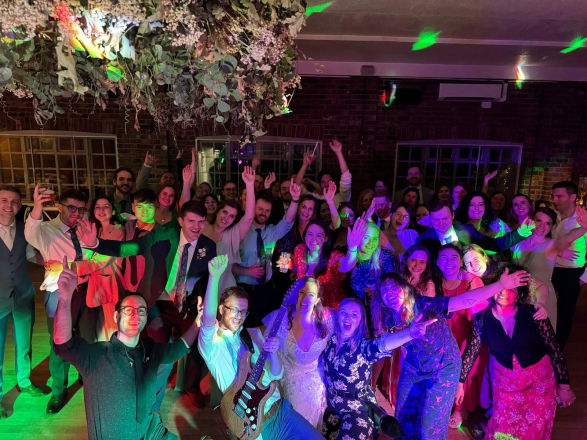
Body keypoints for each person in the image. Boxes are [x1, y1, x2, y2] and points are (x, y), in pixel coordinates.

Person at [371, 269, 529, 440]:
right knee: (403, 420)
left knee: (429, 428)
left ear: (405, 288)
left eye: (394, 287)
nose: (389, 293)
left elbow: (464, 300)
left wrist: (500, 285)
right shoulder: (387, 316)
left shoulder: (425, 305)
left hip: (442, 367)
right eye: (384, 290)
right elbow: (384, 345)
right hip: (414, 366)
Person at [53, 257, 200, 440]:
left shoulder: (151, 350)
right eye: (128, 310)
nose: (135, 315)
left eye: (141, 311)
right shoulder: (96, 355)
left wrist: (198, 322)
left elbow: (179, 348)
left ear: (146, 318)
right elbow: (63, 344)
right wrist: (65, 298)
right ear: (116, 316)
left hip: (152, 433)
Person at [198, 255, 323, 439]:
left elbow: (276, 374)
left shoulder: (251, 337)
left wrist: (273, 353)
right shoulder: (212, 346)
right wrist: (214, 277)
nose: (239, 316)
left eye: (243, 311)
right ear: (222, 309)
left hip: (280, 413)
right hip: (253, 425)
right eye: (234, 309)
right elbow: (208, 320)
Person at [457, 264, 576, 440]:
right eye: (501, 286)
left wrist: (564, 386)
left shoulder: (534, 314)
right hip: (505, 384)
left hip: (539, 383)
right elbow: (471, 351)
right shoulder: (482, 319)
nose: (504, 292)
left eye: (511, 289)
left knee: (534, 428)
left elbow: (555, 350)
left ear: (519, 293)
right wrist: (460, 383)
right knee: (502, 428)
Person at [320, 297, 435, 440]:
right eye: (343, 312)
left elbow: (383, 344)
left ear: (361, 321)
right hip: (332, 407)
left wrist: (409, 333)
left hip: (357, 409)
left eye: (354, 314)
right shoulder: (329, 341)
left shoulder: (363, 347)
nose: (348, 317)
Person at [24, 185, 90, 414]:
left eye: (81, 209)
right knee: (59, 343)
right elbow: (30, 232)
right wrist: (37, 206)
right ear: (60, 207)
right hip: (58, 293)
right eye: (71, 208)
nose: (76, 213)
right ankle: (58, 391)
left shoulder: (85, 227)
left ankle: (84, 374)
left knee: (85, 338)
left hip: (86, 290)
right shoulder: (46, 230)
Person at [263, 277, 332, 429]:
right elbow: (266, 351)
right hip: (291, 378)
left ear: (317, 299)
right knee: (300, 418)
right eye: (301, 292)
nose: (305, 298)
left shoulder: (327, 319)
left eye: (311, 294)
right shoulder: (280, 319)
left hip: (316, 377)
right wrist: (273, 346)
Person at [0, 186, 45, 418]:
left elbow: (30, 255)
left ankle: (24, 381)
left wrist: (51, 259)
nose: (9, 206)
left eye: (15, 202)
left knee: (24, 342)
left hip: (23, 294)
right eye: (4, 200)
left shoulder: (23, 229)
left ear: (20, 205)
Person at [235, 185, 301, 326]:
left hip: (266, 290)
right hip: (243, 290)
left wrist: (295, 199)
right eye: (260, 209)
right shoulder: (240, 231)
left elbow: (288, 221)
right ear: (253, 207)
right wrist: (247, 271)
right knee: (244, 329)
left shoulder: (272, 232)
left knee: (265, 330)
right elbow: (229, 264)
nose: (263, 213)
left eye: (267, 211)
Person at [185, 164, 256, 292]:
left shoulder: (232, 234)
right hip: (197, 286)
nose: (226, 218)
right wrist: (186, 183)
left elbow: (249, 217)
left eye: (232, 216)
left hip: (224, 287)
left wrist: (250, 185)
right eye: (225, 212)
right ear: (218, 211)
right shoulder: (202, 225)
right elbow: (185, 211)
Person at [436, 244, 485, 427]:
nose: (449, 262)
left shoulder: (470, 282)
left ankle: (459, 408)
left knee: (465, 357)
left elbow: (477, 321)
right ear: (437, 262)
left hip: (464, 335)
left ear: (461, 262)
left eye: (454, 257)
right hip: (440, 335)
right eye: (444, 258)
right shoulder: (434, 282)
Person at [81, 196, 126, 341]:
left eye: (106, 206)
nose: (101, 210)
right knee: (99, 326)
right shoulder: (96, 229)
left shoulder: (117, 231)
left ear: (113, 211)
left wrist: (70, 267)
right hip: (96, 284)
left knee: (111, 325)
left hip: (110, 284)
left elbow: (100, 261)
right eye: (97, 207)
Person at [417, 200, 532, 257]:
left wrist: (520, 233)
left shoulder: (467, 230)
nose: (441, 223)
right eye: (436, 219)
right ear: (431, 219)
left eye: (445, 218)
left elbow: (495, 245)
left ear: (452, 215)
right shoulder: (423, 240)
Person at [292, 218, 364, 308]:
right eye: (310, 234)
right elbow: (297, 267)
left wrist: (352, 249)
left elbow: (346, 265)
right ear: (305, 236)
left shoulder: (333, 257)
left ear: (325, 238)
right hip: (304, 307)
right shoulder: (299, 250)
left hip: (329, 311)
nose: (314, 239)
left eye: (319, 235)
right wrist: (289, 265)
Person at [550, 181, 587, 349]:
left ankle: (557, 350)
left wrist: (584, 278)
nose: (554, 199)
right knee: (546, 308)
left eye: (559, 196)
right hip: (550, 268)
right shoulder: (552, 216)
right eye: (553, 196)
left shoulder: (583, 218)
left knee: (565, 313)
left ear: (573, 197)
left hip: (572, 272)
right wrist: (557, 252)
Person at [511, 207, 560, 330]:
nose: (542, 226)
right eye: (539, 221)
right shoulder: (519, 241)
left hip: (541, 294)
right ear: (532, 220)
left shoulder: (552, 244)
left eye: (548, 223)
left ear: (552, 226)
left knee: (541, 335)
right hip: (519, 293)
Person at [296, 140, 352, 209]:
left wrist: (339, 153)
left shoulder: (342, 197)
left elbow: (346, 176)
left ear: (335, 183)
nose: (326, 185)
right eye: (323, 182)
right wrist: (305, 165)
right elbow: (297, 187)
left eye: (329, 181)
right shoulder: (315, 198)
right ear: (319, 184)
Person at [348, 221, 396, 300]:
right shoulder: (349, 256)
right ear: (358, 238)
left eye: (375, 238)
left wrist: (377, 290)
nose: (371, 243)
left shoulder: (385, 257)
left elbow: (391, 283)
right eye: (366, 237)